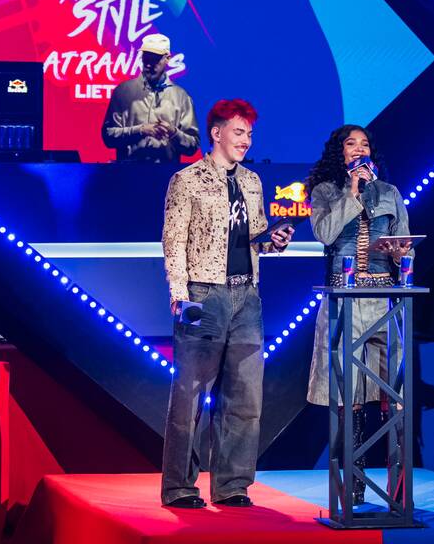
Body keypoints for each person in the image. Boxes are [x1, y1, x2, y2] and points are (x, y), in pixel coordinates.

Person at [160, 99, 293, 508]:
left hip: (246, 296)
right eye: (239, 132)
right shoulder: (187, 179)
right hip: (204, 294)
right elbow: (173, 240)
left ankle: (232, 484)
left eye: (249, 134)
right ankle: (180, 487)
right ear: (216, 133)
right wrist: (179, 294)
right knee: (190, 397)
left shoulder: (252, 181)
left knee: (245, 397)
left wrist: (274, 241)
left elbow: (255, 238)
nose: (246, 140)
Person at [304, 124, 412, 504]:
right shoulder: (325, 192)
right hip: (344, 301)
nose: (359, 149)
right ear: (340, 152)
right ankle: (354, 483)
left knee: (392, 391)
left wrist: (401, 253)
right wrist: (351, 191)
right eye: (351, 144)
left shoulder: (390, 192)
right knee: (347, 394)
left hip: (383, 299)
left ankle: (398, 490)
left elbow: (406, 243)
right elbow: (325, 233)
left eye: (365, 144)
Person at [101, 32, 199, 162]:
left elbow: (193, 145)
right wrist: (140, 130)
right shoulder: (122, 91)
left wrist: (173, 132)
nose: (148, 64)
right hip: (128, 171)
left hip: (167, 172)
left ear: (168, 58)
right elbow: (108, 137)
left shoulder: (181, 97)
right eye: (146, 58)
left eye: (154, 59)